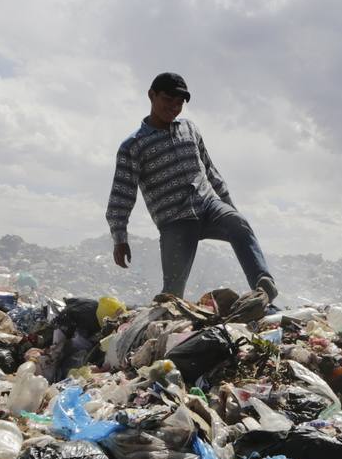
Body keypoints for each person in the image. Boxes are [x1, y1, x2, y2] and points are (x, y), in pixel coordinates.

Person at [105, 72, 277, 302]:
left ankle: (263, 285)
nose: (174, 108)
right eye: (168, 100)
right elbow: (122, 196)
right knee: (173, 294)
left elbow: (210, 169)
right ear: (151, 95)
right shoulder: (133, 146)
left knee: (238, 224)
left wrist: (230, 207)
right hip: (174, 220)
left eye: (179, 103)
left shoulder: (189, 129)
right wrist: (120, 238)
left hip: (207, 205)